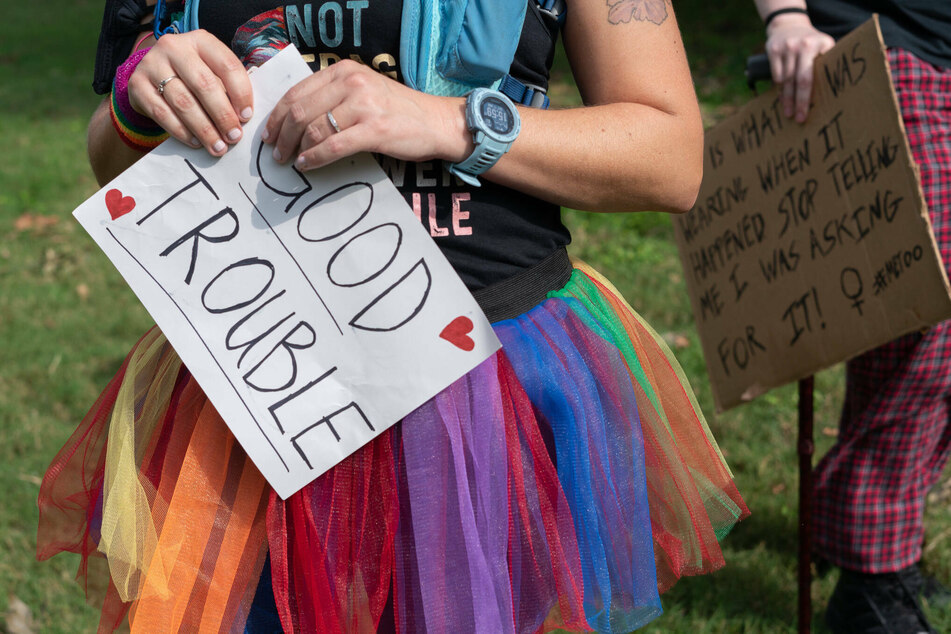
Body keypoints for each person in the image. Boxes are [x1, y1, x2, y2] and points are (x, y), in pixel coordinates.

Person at [36, 0, 748, 631]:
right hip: (258, 378)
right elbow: (118, 169)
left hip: (486, 383)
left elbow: (670, 158)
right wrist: (137, 108)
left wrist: (448, 120)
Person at [753, 1, 951, 632]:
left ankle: (871, 529)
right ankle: (870, 577)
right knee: (927, 325)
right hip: (876, 54)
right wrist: (785, 14)